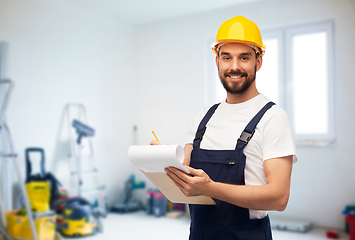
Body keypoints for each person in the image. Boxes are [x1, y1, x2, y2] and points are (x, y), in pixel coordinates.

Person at [151, 15, 297, 240]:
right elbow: (187, 169)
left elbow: (278, 198)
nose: (234, 67)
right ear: (217, 61)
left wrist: (210, 188)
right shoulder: (204, 117)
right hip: (199, 234)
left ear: (258, 62)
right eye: (226, 57)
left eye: (244, 57)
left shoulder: (273, 118)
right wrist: (164, 160)